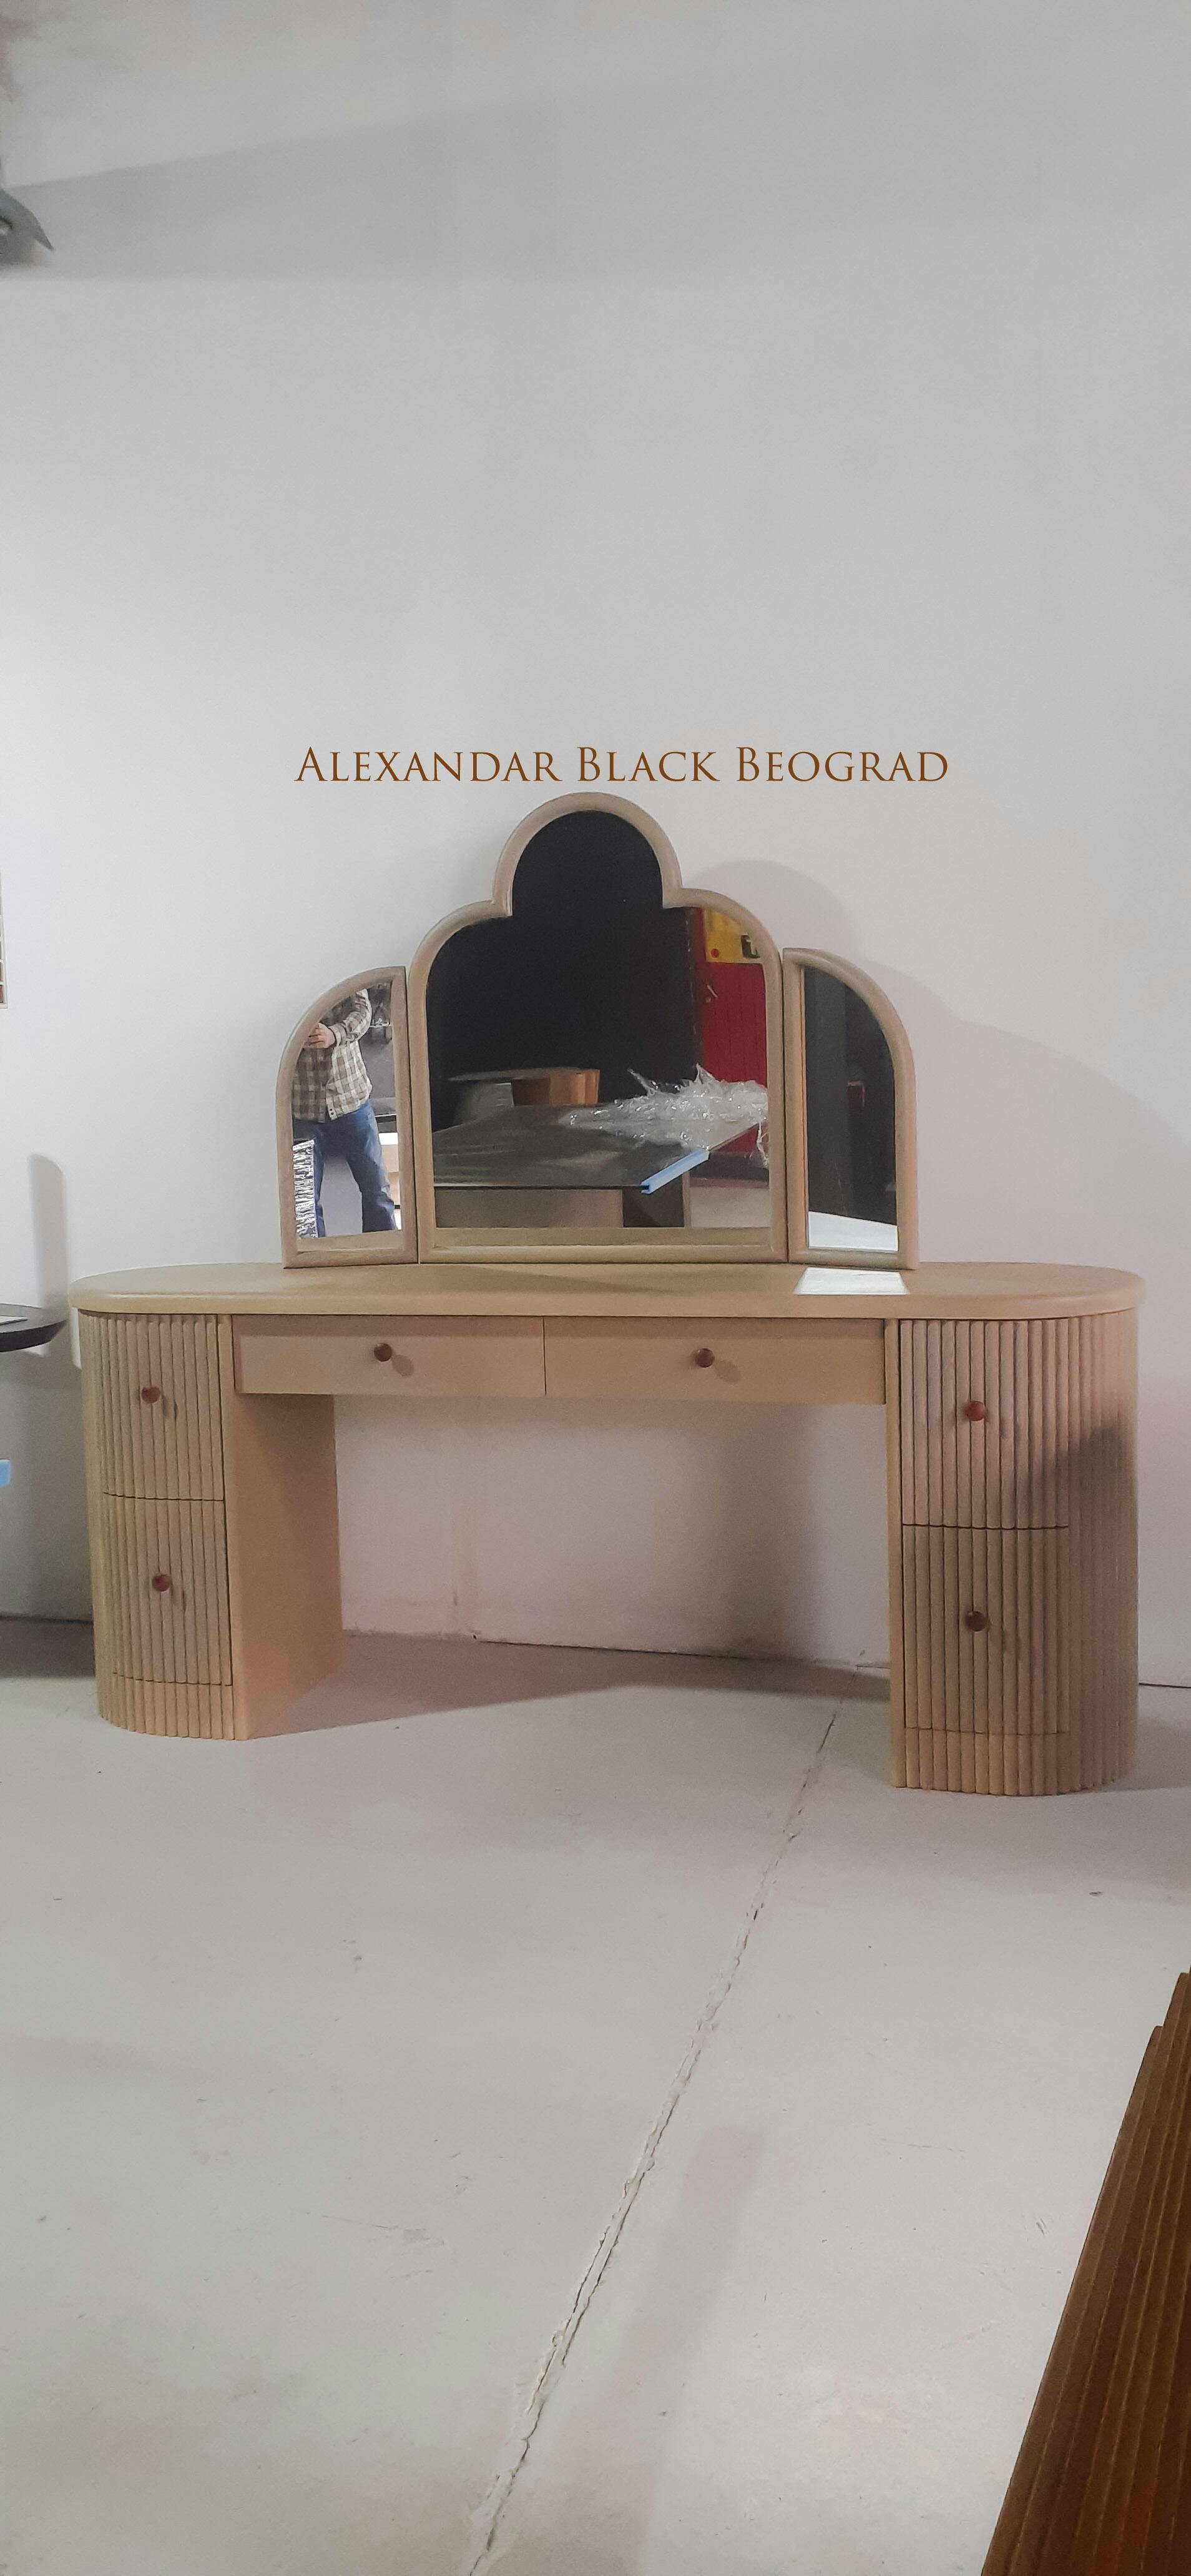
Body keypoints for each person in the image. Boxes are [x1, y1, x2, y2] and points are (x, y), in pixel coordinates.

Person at [291, 990, 397, 1235]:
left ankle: (387, 1253)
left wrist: (334, 1033)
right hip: (301, 1106)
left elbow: (363, 1011)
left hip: (351, 1097)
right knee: (303, 1204)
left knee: (377, 1190)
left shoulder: (336, 969)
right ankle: (313, 1259)